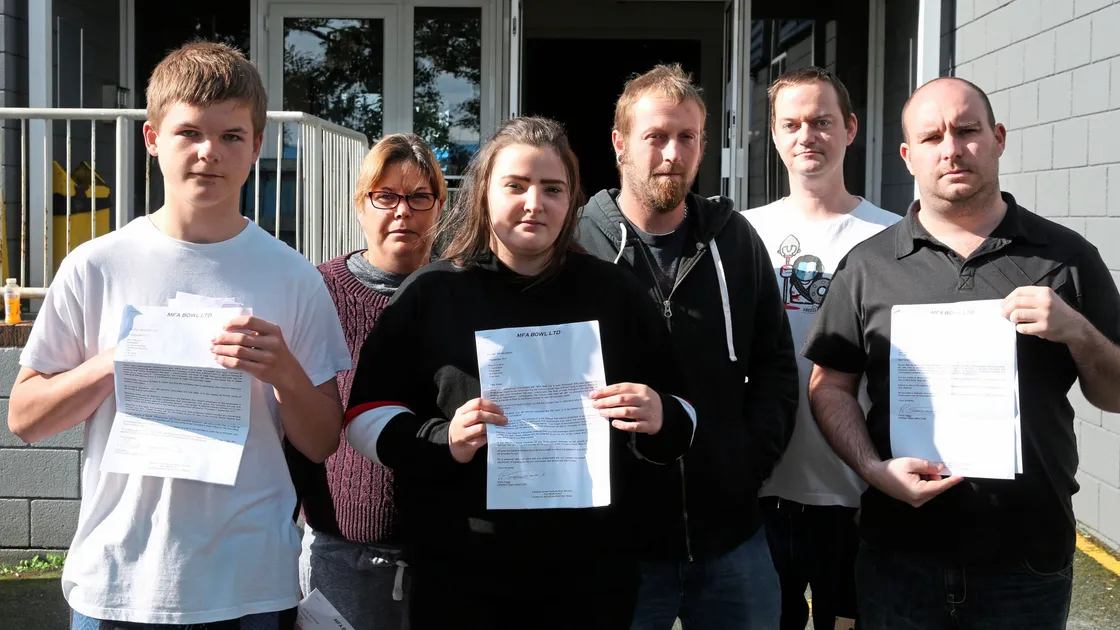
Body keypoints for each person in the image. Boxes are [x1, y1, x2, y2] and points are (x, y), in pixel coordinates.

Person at [7, 42, 351, 629]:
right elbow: (25, 417)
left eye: (231, 136)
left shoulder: (292, 274)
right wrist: (117, 360)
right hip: (118, 580)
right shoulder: (96, 265)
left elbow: (321, 443)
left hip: (250, 584)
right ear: (151, 140)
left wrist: (284, 374)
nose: (208, 153)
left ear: (257, 147)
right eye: (188, 132)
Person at [342, 116, 697, 630]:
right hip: (463, 576)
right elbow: (364, 414)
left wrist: (660, 413)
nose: (535, 203)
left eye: (552, 189)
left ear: (571, 199)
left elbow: (683, 414)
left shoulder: (616, 294)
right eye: (516, 185)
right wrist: (443, 439)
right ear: (485, 191)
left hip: (592, 579)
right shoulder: (431, 293)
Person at [804, 76, 1120, 629]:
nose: (951, 149)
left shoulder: (1067, 257)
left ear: (998, 138)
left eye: (967, 130)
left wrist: (1077, 331)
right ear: (908, 156)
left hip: (1026, 558)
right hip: (899, 553)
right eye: (931, 138)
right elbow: (829, 385)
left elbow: (1114, 396)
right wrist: (873, 470)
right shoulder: (868, 266)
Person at [577, 63, 798, 629]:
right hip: (617, 542)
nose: (672, 153)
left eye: (687, 137)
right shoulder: (577, 243)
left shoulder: (735, 238)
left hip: (730, 535)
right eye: (655, 137)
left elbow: (775, 361)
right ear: (620, 143)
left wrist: (747, 461)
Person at [743, 67, 900, 630]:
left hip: (855, 491)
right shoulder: (742, 235)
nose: (807, 135)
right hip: (761, 493)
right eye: (793, 124)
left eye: (822, 121)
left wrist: (879, 479)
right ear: (776, 135)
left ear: (851, 128)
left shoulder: (894, 238)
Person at [285, 133, 447, 628]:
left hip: (444, 549)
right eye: (386, 196)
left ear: (439, 208)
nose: (404, 211)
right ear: (360, 205)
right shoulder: (318, 290)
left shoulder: (458, 292)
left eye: (420, 197)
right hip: (341, 548)